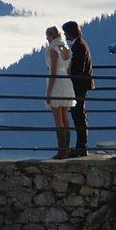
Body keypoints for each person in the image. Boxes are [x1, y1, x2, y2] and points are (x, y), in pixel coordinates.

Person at [64, 20, 93, 157]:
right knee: (78, 114)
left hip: (79, 84)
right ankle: (81, 145)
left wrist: (67, 70)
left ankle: (82, 146)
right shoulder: (80, 44)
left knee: (78, 114)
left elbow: (78, 68)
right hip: (80, 84)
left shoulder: (79, 46)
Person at [44, 27, 74, 159]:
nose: (46, 39)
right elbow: (69, 70)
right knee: (65, 116)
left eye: (47, 36)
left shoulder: (54, 51)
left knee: (58, 119)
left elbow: (53, 73)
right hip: (67, 83)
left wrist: (49, 92)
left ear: (51, 36)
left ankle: (62, 150)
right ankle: (66, 149)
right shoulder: (67, 49)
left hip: (57, 84)